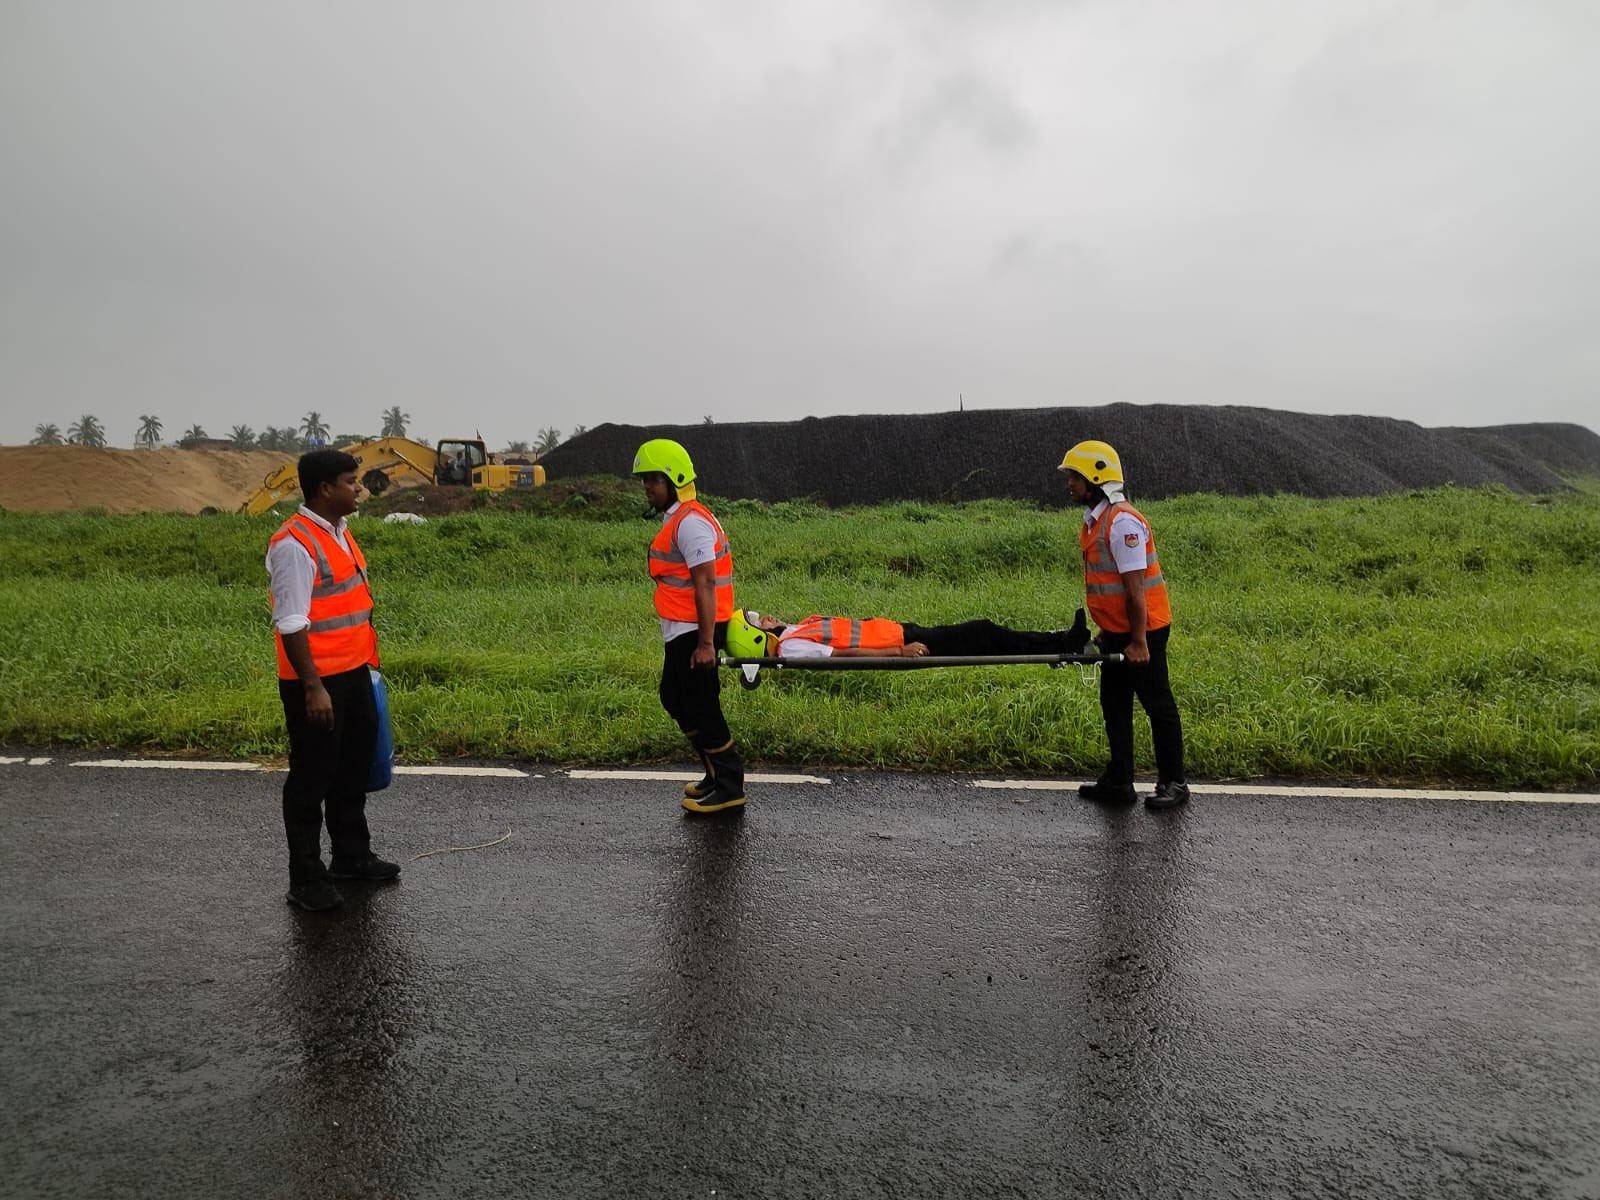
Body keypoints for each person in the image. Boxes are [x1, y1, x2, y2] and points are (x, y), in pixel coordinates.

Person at [267, 449, 400, 911]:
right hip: (318, 685)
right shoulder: (294, 545)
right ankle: (305, 879)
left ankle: (352, 858)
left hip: (354, 674)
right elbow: (291, 623)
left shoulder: (340, 533)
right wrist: (313, 687)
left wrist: (366, 671)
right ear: (325, 489)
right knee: (312, 779)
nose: (359, 488)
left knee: (351, 773)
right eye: (351, 481)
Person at [1059, 440, 1189, 809]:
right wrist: (1109, 631)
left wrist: (1138, 641)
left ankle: (1174, 783)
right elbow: (1112, 587)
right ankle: (1119, 781)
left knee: (1157, 702)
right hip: (1120, 632)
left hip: (1144, 631)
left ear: (1096, 478)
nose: (1069, 484)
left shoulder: (1122, 523)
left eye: (1074, 477)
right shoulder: (1097, 520)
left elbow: (1135, 592)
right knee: (1113, 704)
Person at [633, 438, 747, 815]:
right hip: (680, 631)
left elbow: (705, 584)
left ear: (674, 479)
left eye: (653, 479)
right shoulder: (678, 519)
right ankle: (714, 774)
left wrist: (705, 644)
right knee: (675, 698)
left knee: (702, 707)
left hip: (695, 633)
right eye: (645, 480)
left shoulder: (692, 522)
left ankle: (729, 785)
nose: (647, 487)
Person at [726, 608, 1091, 660]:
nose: (765, 616)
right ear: (757, 636)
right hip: (903, 643)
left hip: (901, 632)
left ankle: (1061, 639)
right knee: (984, 633)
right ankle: (1062, 642)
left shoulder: (793, 630)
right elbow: (842, 655)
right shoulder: (790, 647)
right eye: (757, 621)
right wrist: (899, 653)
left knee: (984, 633)